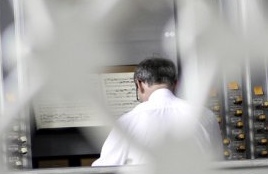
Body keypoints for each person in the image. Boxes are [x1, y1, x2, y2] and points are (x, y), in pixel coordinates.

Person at [92, 57, 222, 166]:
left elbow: (104, 171)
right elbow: (218, 165)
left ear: (140, 84)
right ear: (176, 84)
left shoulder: (127, 122)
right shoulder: (205, 115)